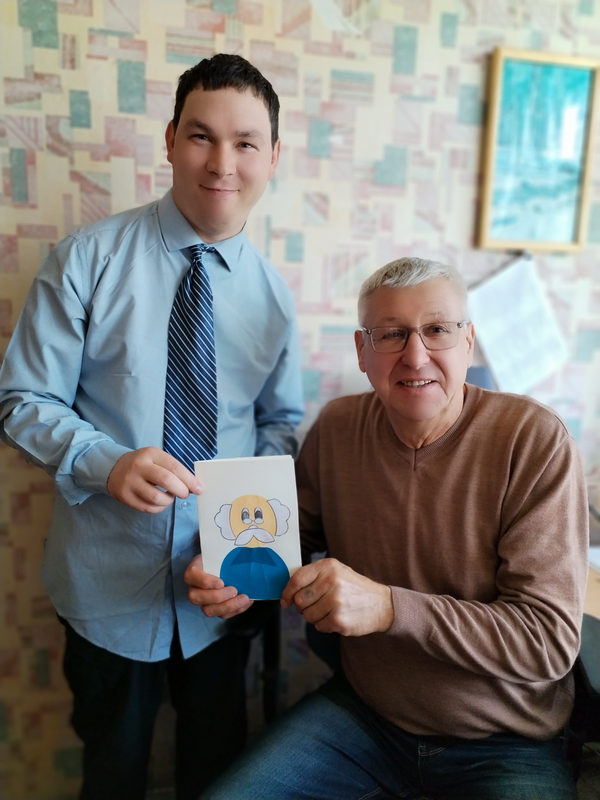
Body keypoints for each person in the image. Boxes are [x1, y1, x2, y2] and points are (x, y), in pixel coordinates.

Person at [0, 54, 303, 800]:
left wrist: (251, 565)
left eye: (245, 143)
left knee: (217, 775)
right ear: (169, 140)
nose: (222, 163)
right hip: (106, 592)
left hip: (222, 598)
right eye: (201, 136)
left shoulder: (273, 296)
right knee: (114, 774)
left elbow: (280, 427)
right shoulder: (87, 260)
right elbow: (22, 399)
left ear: (273, 157)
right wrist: (105, 462)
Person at [187, 257, 589, 800]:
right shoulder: (337, 427)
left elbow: (546, 642)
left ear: (468, 343)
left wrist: (388, 607)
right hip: (365, 718)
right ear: (362, 351)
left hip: (506, 739)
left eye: (437, 330)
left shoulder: (534, 440)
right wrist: (227, 568)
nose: (415, 355)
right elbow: (290, 539)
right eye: (391, 334)